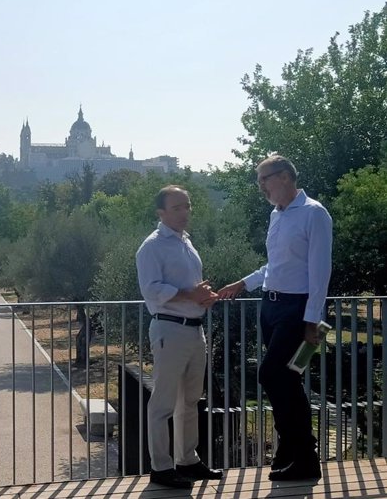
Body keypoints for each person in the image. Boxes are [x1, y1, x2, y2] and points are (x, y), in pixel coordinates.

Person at [218, 155, 332, 481]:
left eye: (263, 179)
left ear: (283, 177)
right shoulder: (276, 214)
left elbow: (320, 270)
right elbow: (275, 265)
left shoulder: (314, 214)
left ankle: (305, 455)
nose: (260, 186)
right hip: (270, 307)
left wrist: (313, 320)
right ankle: (291, 451)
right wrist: (243, 283)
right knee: (287, 379)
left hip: (296, 310)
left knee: (272, 374)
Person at [136, 185, 222, 489]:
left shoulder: (185, 242)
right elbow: (152, 290)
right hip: (169, 329)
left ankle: (188, 460)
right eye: (177, 208)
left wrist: (202, 297)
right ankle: (161, 468)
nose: (185, 212)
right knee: (163, 402)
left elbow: (188, 287)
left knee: (190, 400)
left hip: (193, 329)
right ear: (161, 212)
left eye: (187, 206)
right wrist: (190, 294)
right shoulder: (152, 246)